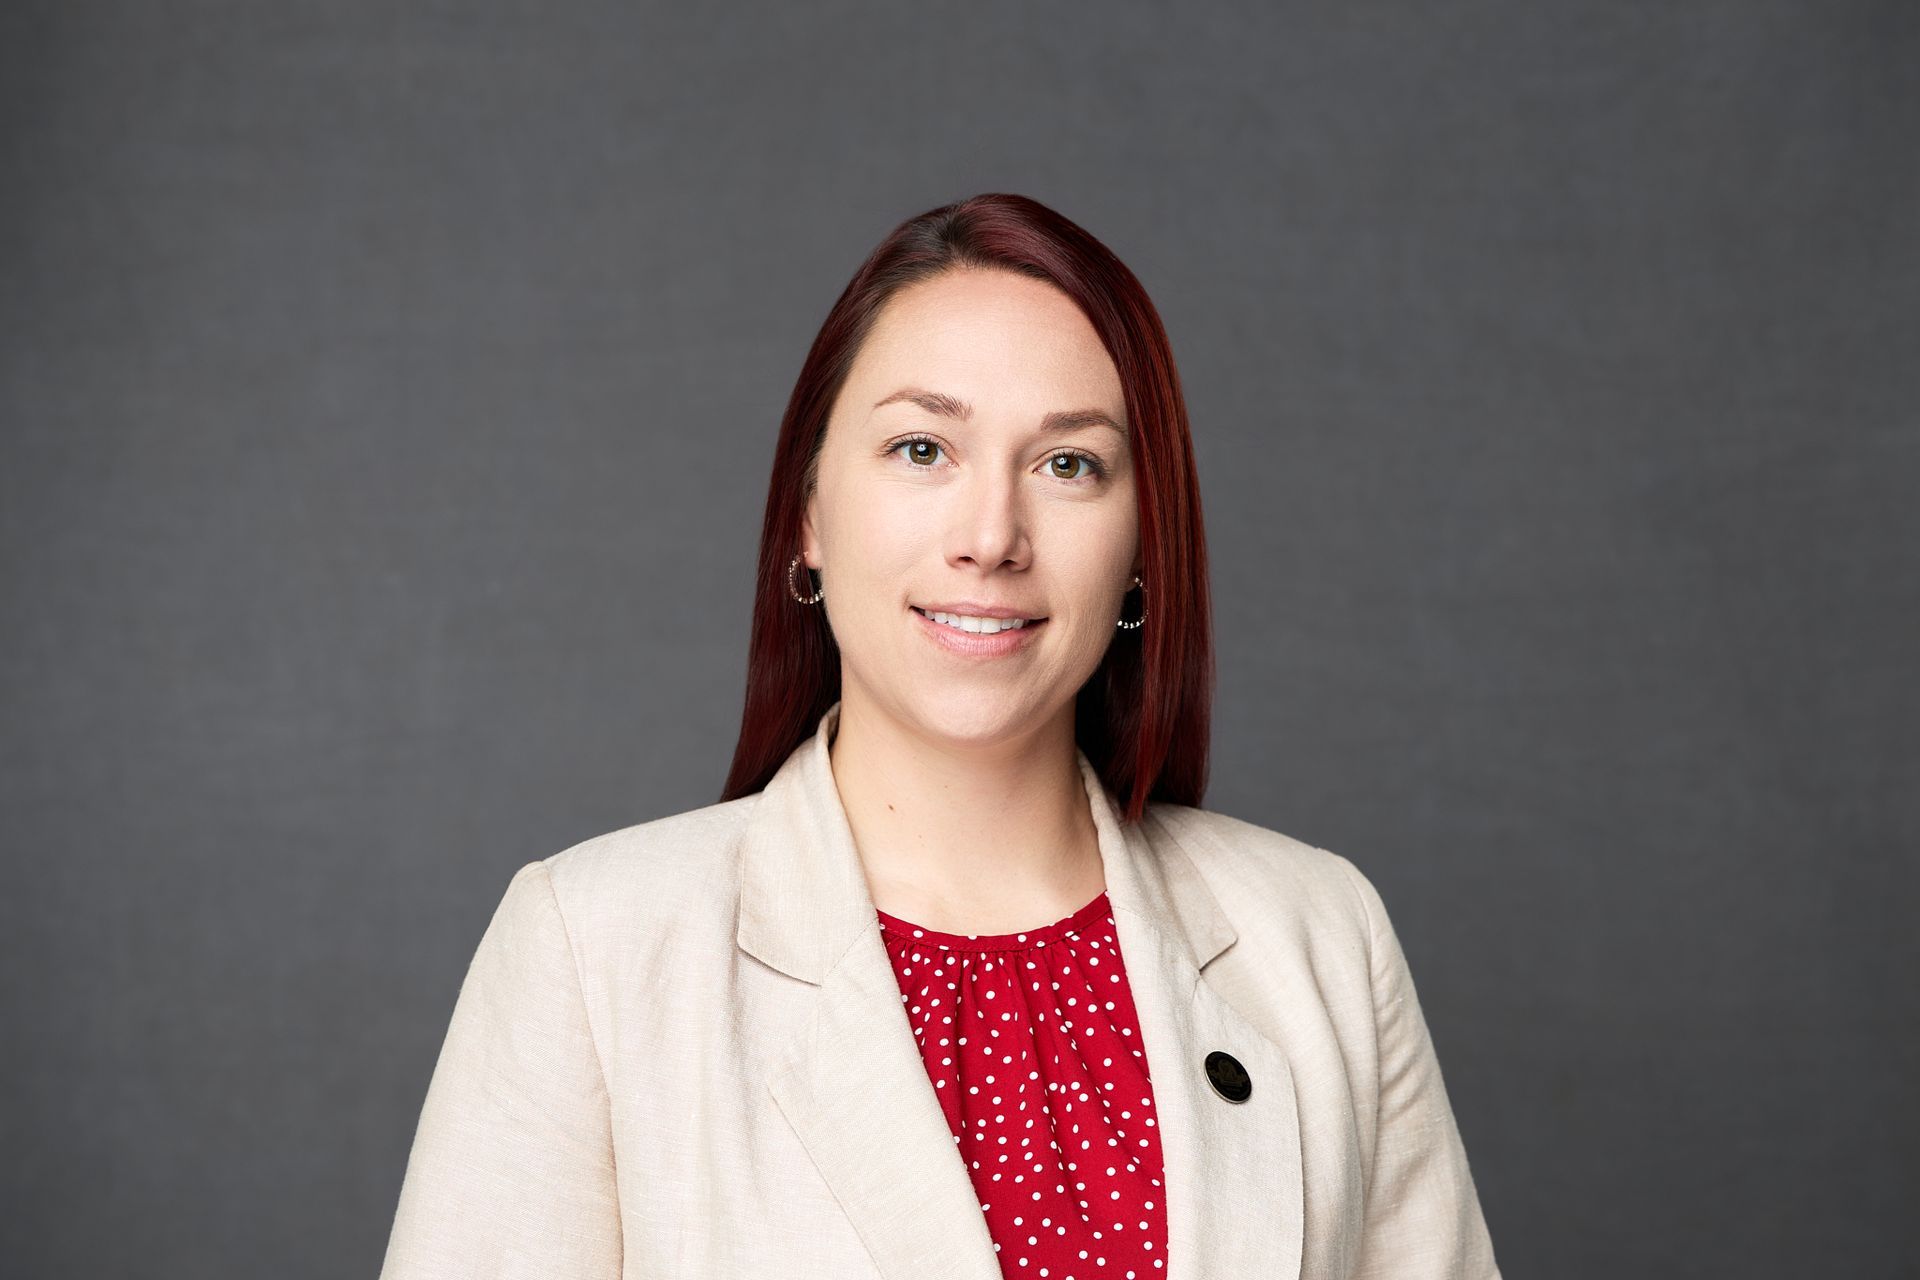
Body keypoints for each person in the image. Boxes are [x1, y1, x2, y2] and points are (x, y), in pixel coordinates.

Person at [377, 192, 1501, 1279]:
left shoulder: (1318, 937)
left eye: (1069, 463)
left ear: (1146, 545)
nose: (991, 535)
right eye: (923, 449)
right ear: (809, 514)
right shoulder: (596, 951)